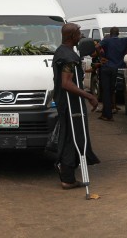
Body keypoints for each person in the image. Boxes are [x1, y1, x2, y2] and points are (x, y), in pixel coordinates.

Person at [51, 23, 99, 189]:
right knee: (73, 138)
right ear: (72, 36)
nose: (80, 36)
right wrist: (89, 96)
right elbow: (66, 83)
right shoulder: (69, 57)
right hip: (71, 105)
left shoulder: (61, 51)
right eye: (79, 33)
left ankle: (67, 176)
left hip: (65, 102)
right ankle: (67, 178)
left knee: (69, 137)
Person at [97, 27, 127, 121]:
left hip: (106, 68)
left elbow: (96, 47)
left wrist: (100, 58)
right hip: (116, 69)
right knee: (112, 91)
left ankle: (107, 115)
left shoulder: (106, 41)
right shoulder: (123, 41)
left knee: (106, 92)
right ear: (118, 33)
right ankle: (108, 111)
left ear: (110, 34)